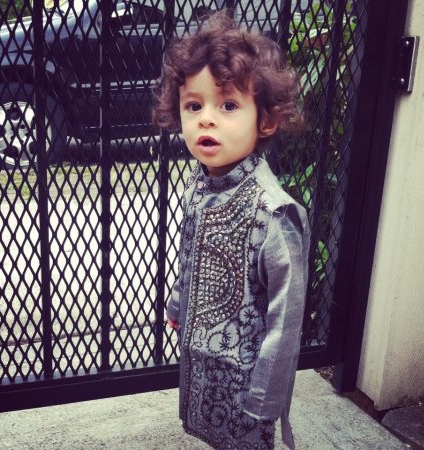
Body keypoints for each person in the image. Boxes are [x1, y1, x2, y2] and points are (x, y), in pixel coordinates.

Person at [153, 10, 310, 450]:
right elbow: (190, 254)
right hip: (206, 366)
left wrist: (265, 400)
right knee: (214, 434)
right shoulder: (199, 186)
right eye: (193, 105)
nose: (206, 119)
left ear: (265, 121)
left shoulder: (274, 214)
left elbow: (287, 320)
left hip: (247, 379)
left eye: (227, 105)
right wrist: (178, 302)